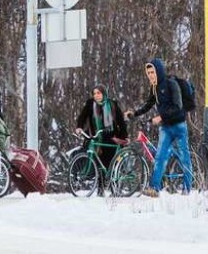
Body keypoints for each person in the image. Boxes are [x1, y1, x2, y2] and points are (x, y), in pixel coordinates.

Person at [124, 58, 193, 197]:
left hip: (179, 126)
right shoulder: (154, 88)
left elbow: (178, 106)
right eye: (148, 72)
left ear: (159, 71)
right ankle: (154, 188)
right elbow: (148, 104)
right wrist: (135, 113)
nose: (150, 75)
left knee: (185, 157)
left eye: (152, 72)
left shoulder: (171, 84)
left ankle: (187, 188)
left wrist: (161, 117)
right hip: (166, 127)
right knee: (160, 157)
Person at [75, 84, 128, 177]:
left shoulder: (112, 104)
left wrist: (124, 136)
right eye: (94, 93)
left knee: (108, 163)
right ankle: (100, 187)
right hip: (96, 135)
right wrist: (79, 127)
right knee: (97, 162)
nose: (96, 95)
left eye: (98, 93)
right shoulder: (90, 104)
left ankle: (111, 183)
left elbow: (121, 121)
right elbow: (82, 116)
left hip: (111, 136)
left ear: (104, 94)